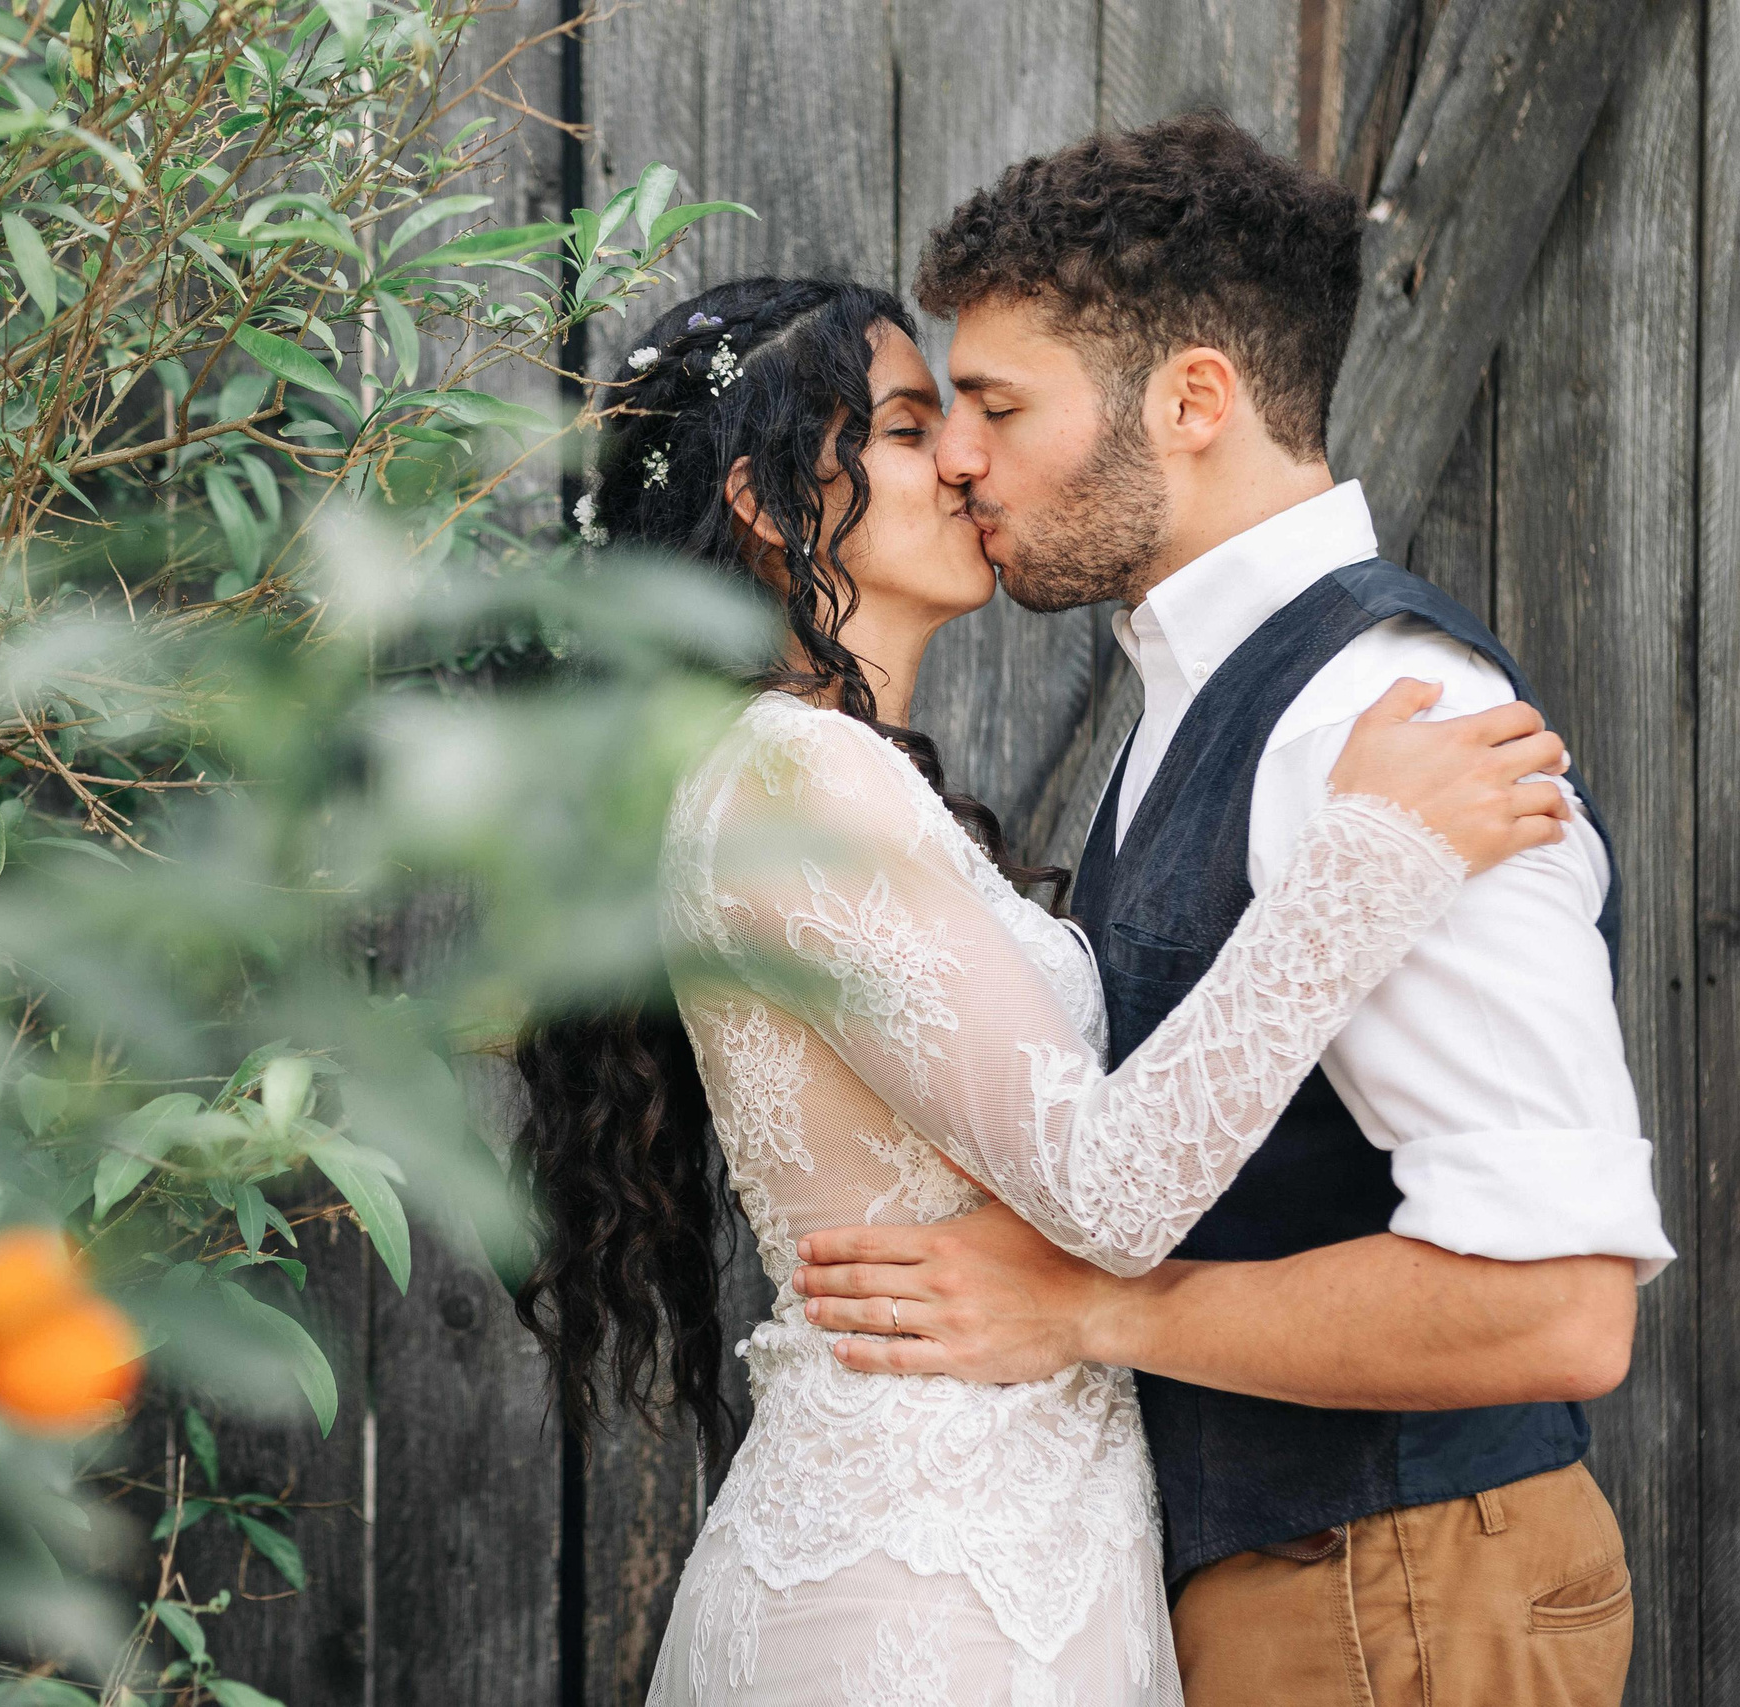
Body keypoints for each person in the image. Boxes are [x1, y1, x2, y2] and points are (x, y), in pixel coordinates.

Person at [511, 273, 1579, 1705]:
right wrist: (1371, 856)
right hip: (928, 1587)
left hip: (1005, 1548)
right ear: (764, 504)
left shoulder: (833, 778)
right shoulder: (792, 774)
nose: (963, 459)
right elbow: (1111, 1192)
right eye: (907, 427)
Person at [790, 115, 1676, 1707]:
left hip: (1402, 1588)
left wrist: (1092, 1312)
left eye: (1000, 404)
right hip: (1313, 1587)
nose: (960, 456)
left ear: (1193, 401)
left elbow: (1554, 1308)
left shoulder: (1379, 718)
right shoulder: (1207, 699)